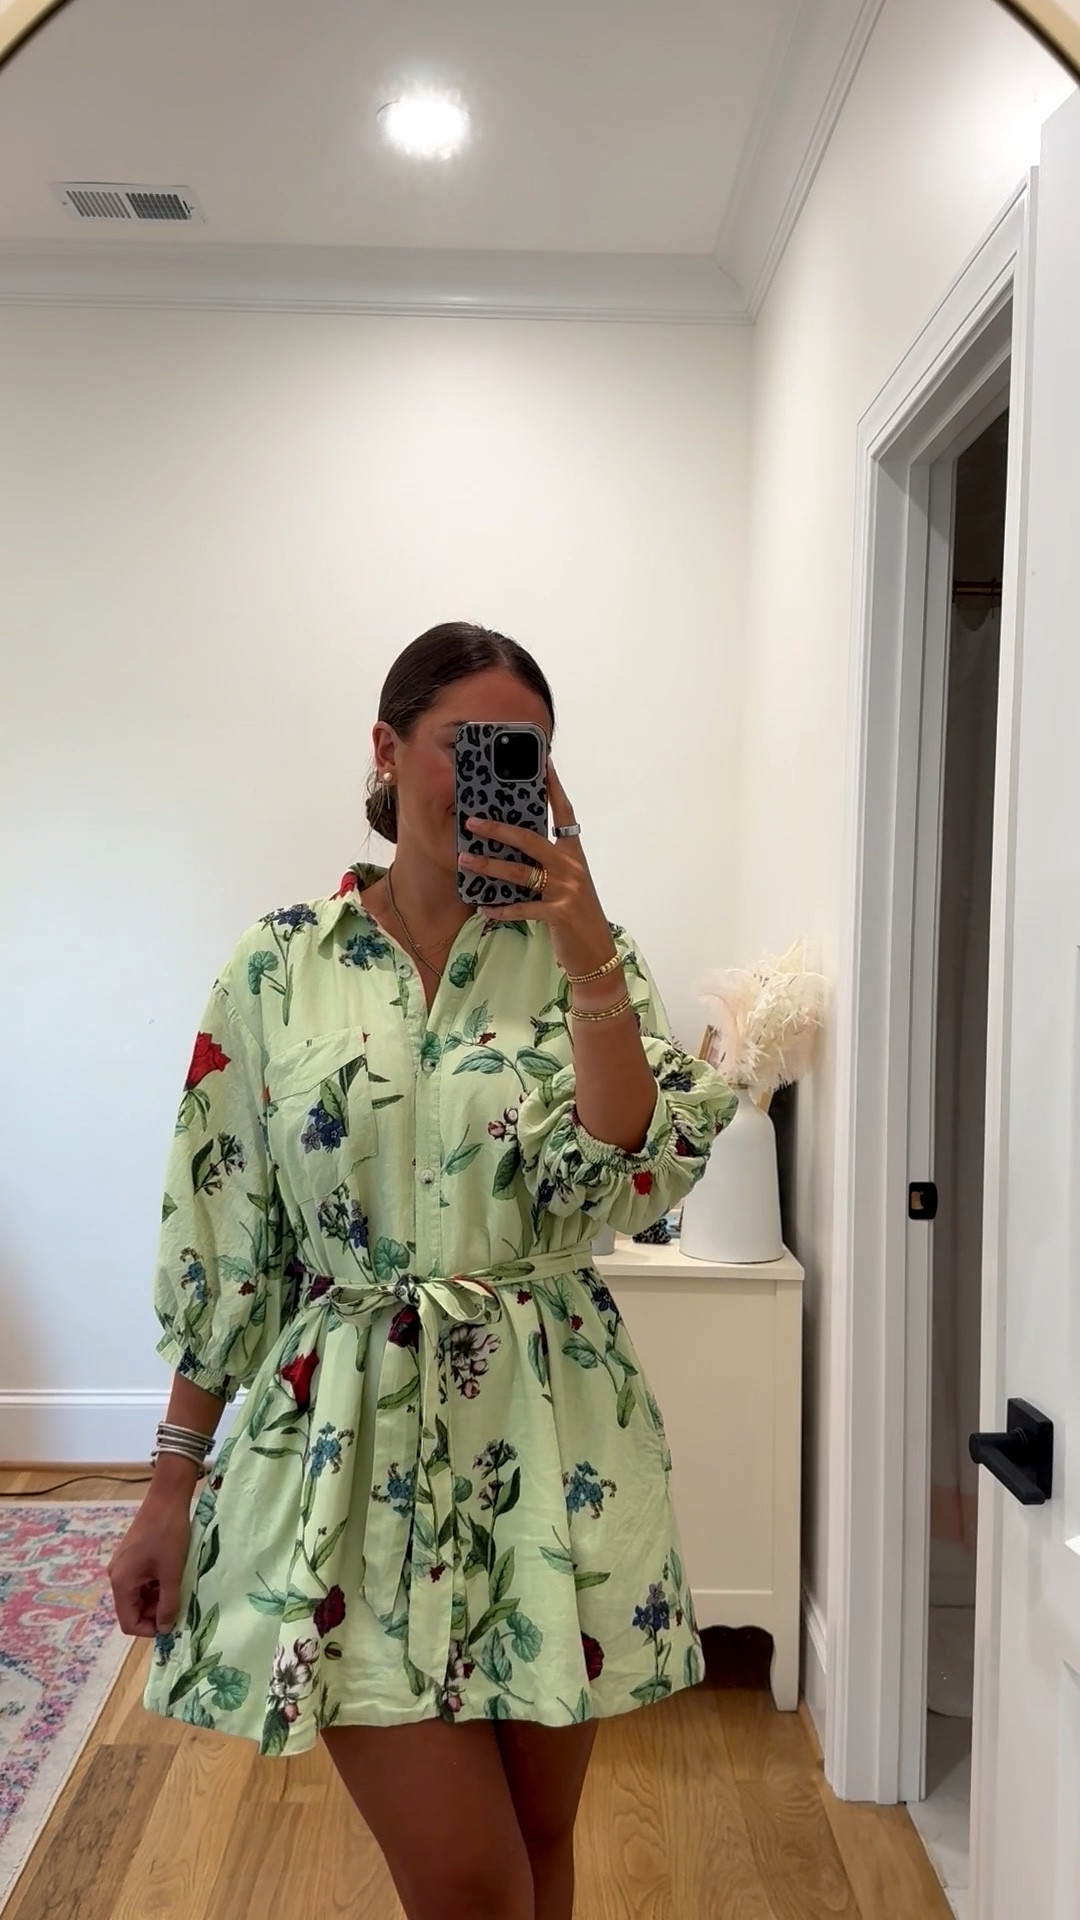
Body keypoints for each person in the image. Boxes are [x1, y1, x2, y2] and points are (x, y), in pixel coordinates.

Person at [107, 620, 738, 1920]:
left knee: (540, 1846)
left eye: (528, 751)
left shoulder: (585, 953)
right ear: (387, 752)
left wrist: (588, 950)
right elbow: (226, 1235)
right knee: (471, 1884)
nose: (497, 772)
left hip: (550, 1439)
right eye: (468, 742)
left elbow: (626, 1173)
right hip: (353, 1454)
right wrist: (170, 1481)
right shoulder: (279, 967)